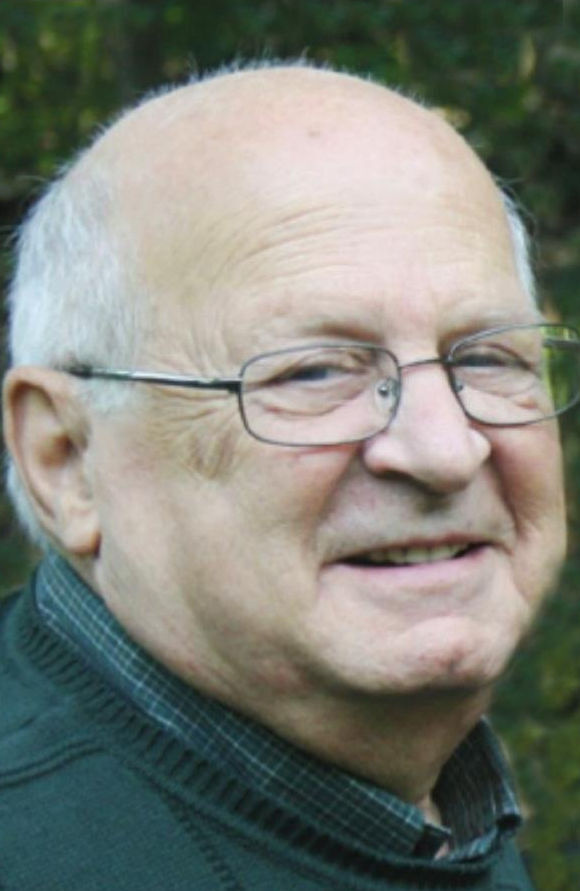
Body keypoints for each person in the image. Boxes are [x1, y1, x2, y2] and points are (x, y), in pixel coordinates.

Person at [0, 62, 577, 891]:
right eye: (314, 372)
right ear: (66, 459)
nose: (446, 448)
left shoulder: (413, 800)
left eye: (485, 357)